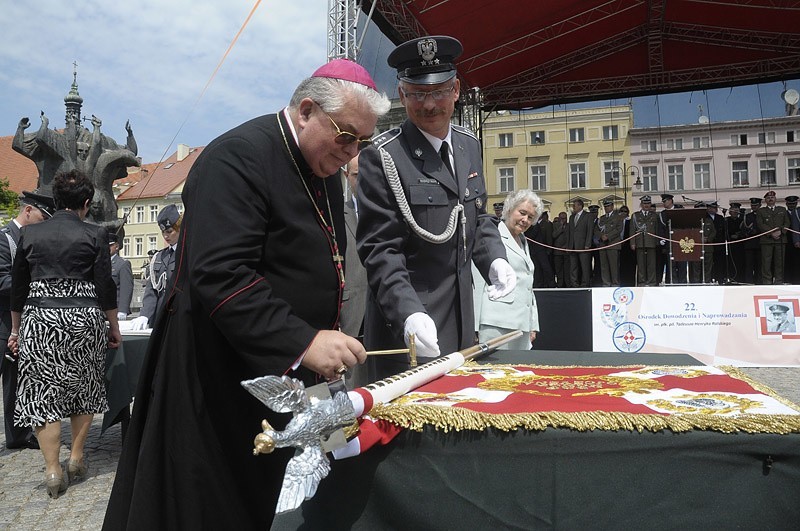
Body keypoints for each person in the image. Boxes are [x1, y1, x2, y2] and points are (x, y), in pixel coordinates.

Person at [103, 59, 389, 529]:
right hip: (215, 374)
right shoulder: (236, 156)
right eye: (345, 136)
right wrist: (302, 340)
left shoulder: (323, 166)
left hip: (276, 376)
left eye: (363, 140)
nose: (352, 151)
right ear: (307, 110)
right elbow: (220, 273)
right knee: (210, 507)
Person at [356, 35, 514, 378]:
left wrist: (495, 258)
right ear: (402, 95)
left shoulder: (468, 145)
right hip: (412, 329)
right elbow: (380, 250)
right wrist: (408, 313)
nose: (429, 104)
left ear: (456, 90)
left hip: (462, 324)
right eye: (417, 93)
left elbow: (478, 217)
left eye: (439, 91)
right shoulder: (383, 156)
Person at [8, 170, 121, 498]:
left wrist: (16, 329)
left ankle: (52, 470)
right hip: (84, 317)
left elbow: (18, 288)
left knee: (43, 393)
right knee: (84, 387)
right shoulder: (96, 234)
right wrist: (113, 326)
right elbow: (105, 286)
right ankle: (76, 458)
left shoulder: (29, 235)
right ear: (86, 203)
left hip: (40, 317)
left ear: (55, 201)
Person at [0, 192, 55, 451]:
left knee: (17, 383)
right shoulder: (4, 238)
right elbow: (1, 281)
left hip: (22, 325)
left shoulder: (33, 240)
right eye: (43, 217)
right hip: (1, 324)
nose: (44, 222)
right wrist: (34, 282)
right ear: (29, 210)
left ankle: (17, 436)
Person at [473, 190, 541, 350]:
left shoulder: (523, 241)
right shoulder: (491, 236)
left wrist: (533, 324)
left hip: (521, 326)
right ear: (509, 209)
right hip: (495, 324)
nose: (525, 220)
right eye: (522, 213)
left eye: (530, 217)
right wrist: (474, 326)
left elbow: (528, 285)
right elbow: (477, 282)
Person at [340, 153, 369, 388]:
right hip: (352, 319)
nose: (364, 182)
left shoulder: (394, 214)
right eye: (358, 176)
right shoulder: (337, 216)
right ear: (347, 176)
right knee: (355, 393)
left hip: (389, 320)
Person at [129, 204, 181, 330]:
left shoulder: (187, 254)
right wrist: (145, 314)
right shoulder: (159, 256)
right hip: (159, 317)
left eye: (169, 231)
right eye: (163, 232)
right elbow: (152, 290)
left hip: (179, 317)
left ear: (180, 229)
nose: (165, 236)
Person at [756, 190, 790, 284]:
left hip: (780, 239)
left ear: (775, 199)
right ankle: (767, 282)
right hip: (767, 240)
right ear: (765, 200)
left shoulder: (782, 210)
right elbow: (760, 224)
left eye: (772, 197)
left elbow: (787, 222)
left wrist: (781, 232)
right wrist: (771, 233)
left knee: (780, 262)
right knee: (766, 263)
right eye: (768, 198)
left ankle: (779, 281)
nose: (770, 199)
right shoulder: (761, 211)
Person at [630, 195, 659, 286]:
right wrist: (632, 243)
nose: (646, 205)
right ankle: (641, 282)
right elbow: (632, 230)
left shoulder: (654, 215)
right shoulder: (635, 215)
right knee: (641, 264)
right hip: (639, 242)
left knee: (651, 264)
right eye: (644, 203)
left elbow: (656, 229)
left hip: (651, 242)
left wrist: (657, 242)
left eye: (648, 203)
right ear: (641, 204)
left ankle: (652, 281)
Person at [595, 199, 623, 287]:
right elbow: (596, 229)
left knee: (614, 265)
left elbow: (619, 229)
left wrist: (608, 236)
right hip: (603, 244)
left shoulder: (618, 217)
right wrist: (601, 235)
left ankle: (615, 283)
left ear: (612, 206)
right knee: (604, 265)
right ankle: (606, 282)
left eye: (608, 206)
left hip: (613, 244)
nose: (607, 208)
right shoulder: (602, 218)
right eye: (605, 206)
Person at [658, 193, 685, 284]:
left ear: (670, 201)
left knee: (681, 263)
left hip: (680, 240)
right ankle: (673, 282)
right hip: (669, 241)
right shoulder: (662, 214)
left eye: (665, 201)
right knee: (671, 264)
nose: (664, 203)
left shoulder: (679, 210)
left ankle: (682, 282)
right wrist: (661, 238)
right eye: (663, 202)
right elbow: (661, 227)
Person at [568, 198, 593, 287]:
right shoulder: (571, 217)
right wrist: (569, 246)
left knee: (584, 266)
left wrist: (587, 244)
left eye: (574, 205)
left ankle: (585, 283)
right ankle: (574, 284)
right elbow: (570, 232)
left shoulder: (588, 216)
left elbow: (590, 230)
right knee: (573, 267)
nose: (573, 207)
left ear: (580, 206)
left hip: (583, 246)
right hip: (573, 246)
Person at [109, 233, 133, 320]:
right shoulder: (99, 263)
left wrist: (123, 310)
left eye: (110, 245)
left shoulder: (122, 264)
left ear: (117, 246)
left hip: (116, 309)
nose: (107, 248)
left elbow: (126, 288)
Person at [742, 197, 762, 284]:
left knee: (760, 265)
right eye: (752, 205)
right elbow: (743, 229)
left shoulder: (763, 215)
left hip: (760, 243)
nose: (754, 207)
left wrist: (756, 231)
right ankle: (749, 283)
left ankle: (759, 282)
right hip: (749, 244)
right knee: (749, 265)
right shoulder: (747, 216)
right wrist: (748, 232)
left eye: (756, 205)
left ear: (760, 205)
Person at [725, 202, 746, 283]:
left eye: (737, 210)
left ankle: (740, 279)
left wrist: (739, 235)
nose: (735, 212)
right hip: (730, 245)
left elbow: (744, 232)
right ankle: (730, 278)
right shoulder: (726, 220)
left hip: (740, 245)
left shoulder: (741, 220)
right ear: (730, 212)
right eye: (733, 210)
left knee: (740, 263)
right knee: (730, 263)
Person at [618, 205, 637, 287]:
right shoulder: (617, 221)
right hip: (618, 246)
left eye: (625, 211)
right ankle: (621, 282)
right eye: (621, 211)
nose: (623, 213)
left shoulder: (630, 222)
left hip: (628, 247)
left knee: (630, 266)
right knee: (620, 266)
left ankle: (630, 282)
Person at [551, 211, 570, 288]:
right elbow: (553, 235)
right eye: (562, 218)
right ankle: (560, 284)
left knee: (567, 269)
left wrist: (566, 246)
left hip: (566, 250)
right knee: (559, 269)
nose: (563, 220)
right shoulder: (555, 225)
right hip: (557, 251)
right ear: (559, 219)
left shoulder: (569, 226)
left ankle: (567, 284)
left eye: (565, 218)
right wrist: (560, 228)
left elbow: (570, 237)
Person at [784, 195, 799, 284]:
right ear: (786, 204)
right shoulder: (783, 213)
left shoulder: (798, 213)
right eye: (790, 204)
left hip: (797, 241)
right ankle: (787, 280)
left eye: (793, 204)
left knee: (797, 262)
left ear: (796, 203)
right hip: (786, 240)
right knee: (787, 262)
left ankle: (796, 280)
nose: (791, 206)